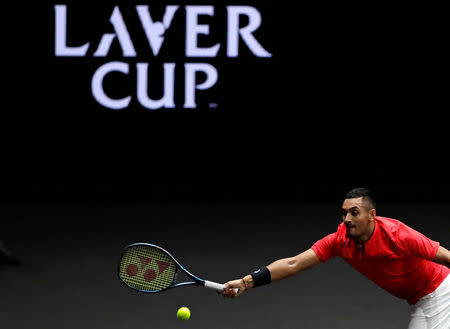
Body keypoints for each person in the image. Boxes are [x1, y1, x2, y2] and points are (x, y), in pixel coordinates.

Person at [221, 187, 450, 329]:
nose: (347, 218)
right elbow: (294, 263)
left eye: (354, 212)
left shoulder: (398, 235)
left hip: (440, 293)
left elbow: (445, 257)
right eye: (344, 213)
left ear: (372, 216)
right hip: (420, 299)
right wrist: (247, 282)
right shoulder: (339, 241)